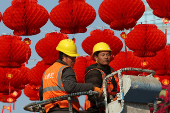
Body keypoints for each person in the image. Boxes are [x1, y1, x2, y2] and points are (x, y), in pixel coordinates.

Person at [39, 39, 103, 113]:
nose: (74, 60)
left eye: (74, 57)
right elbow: (70, 87)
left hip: (50, 110)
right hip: (66, 108)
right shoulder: (65, 69)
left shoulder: (47, 72)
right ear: (63, 57)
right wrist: (92, 87)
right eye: (72, 57)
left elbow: (41, 93)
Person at [84, 42, 118, 113]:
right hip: (96, 110)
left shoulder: (111, 71)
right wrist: (109, 100)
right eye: (103, 55)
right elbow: (93, 96)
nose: (106, 57)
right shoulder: (93, 73)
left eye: (108, 54)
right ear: (96, 57)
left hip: (111, 108)